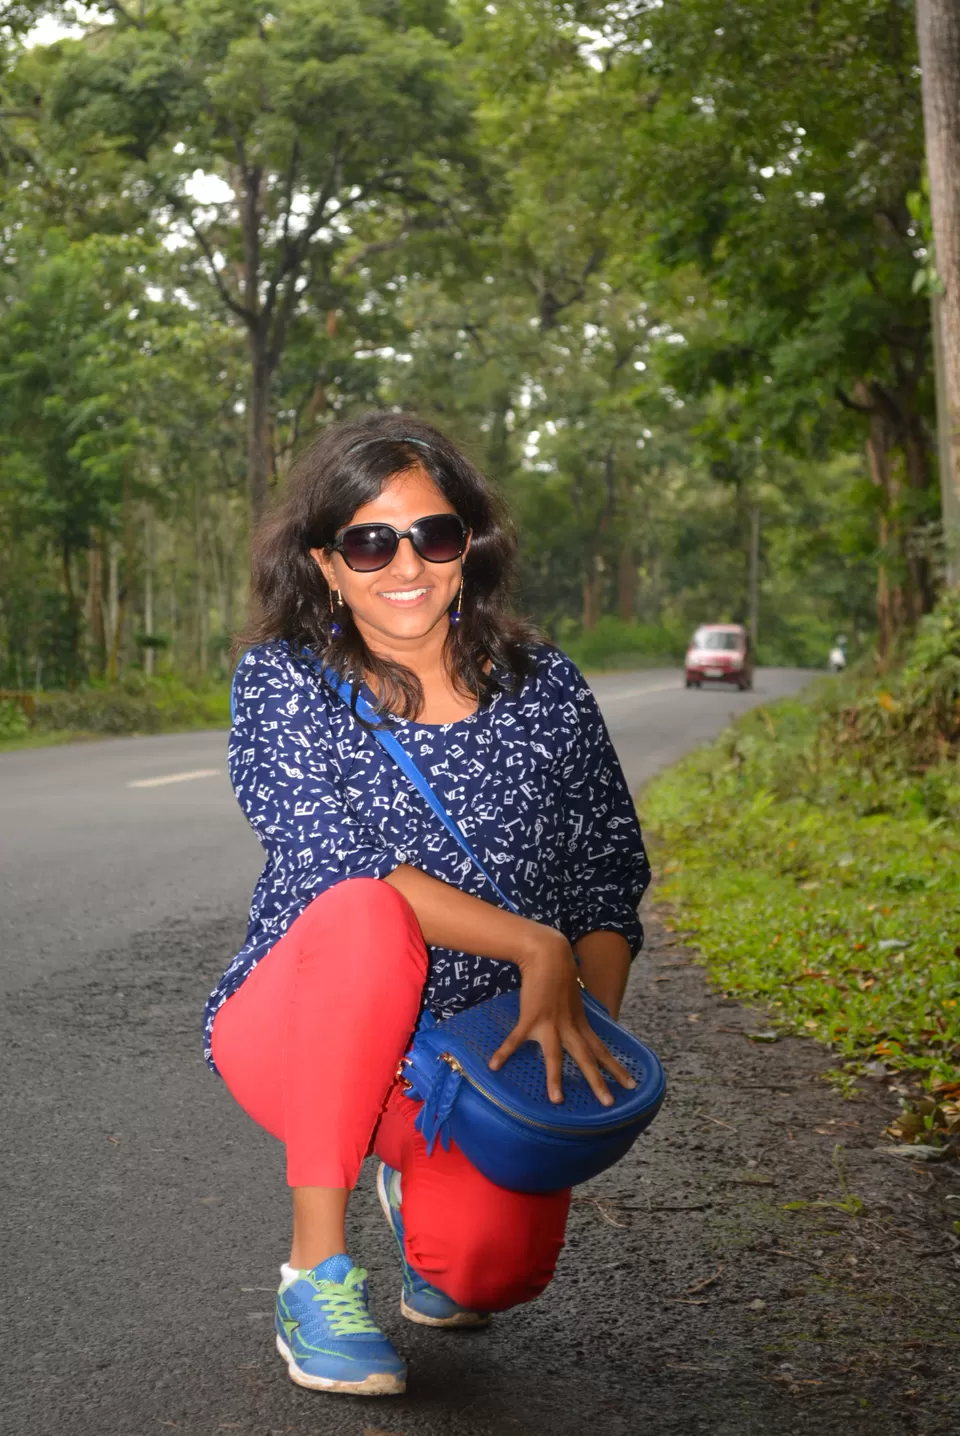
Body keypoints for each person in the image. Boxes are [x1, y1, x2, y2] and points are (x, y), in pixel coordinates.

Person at [205, 412, 651, 1397]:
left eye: (432, 534)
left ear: (468, 546)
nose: (404, 562)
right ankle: (313, 1274)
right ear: (326, 560)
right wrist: (535, 944)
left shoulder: (544, 686)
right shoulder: (286, 680)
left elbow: (605, 869)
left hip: (474, 1052)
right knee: (367, 908)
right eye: (369, 539)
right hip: (303, 1026)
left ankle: (425, 1196)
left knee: (493, 1272)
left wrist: (579, 1046)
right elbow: (333, 861)